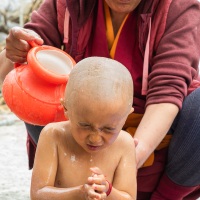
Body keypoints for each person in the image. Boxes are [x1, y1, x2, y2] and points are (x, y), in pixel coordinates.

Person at [0, 0, 200, 199]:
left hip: (152, 146)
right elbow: (12, 75)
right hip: (78, 144)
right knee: (36, 82)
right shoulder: (68, 4)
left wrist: (126, 161)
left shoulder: (178, 7)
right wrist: (15, 52)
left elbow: (167, 92)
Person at [30, 56, 137, 200]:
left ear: (126, 117)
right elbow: (38, 194)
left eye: (108, 129)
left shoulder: (124, 144)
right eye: (85, 125)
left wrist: (108, 190)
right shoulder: (53, 136)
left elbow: (129, 198)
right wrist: (79, 193)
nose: (95, 138)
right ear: (66, 108)